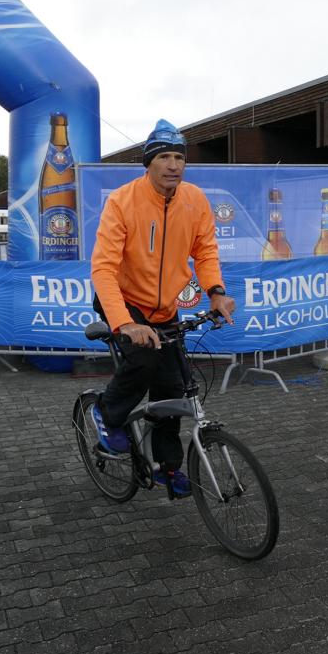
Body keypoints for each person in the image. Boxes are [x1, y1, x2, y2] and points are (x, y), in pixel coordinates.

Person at [88, 119, 236, 498]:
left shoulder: (195, 200)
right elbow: (103, 268)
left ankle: (168, 468)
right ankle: (106, 413)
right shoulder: (122, 201)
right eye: (164, 157)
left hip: (164, 307)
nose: (173, 165)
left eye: (179, 158)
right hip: (123, 300)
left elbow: (205, 252)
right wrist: (124, 324)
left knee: (172, 388)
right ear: (149, 163)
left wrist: (216, 292)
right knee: (144, 359)